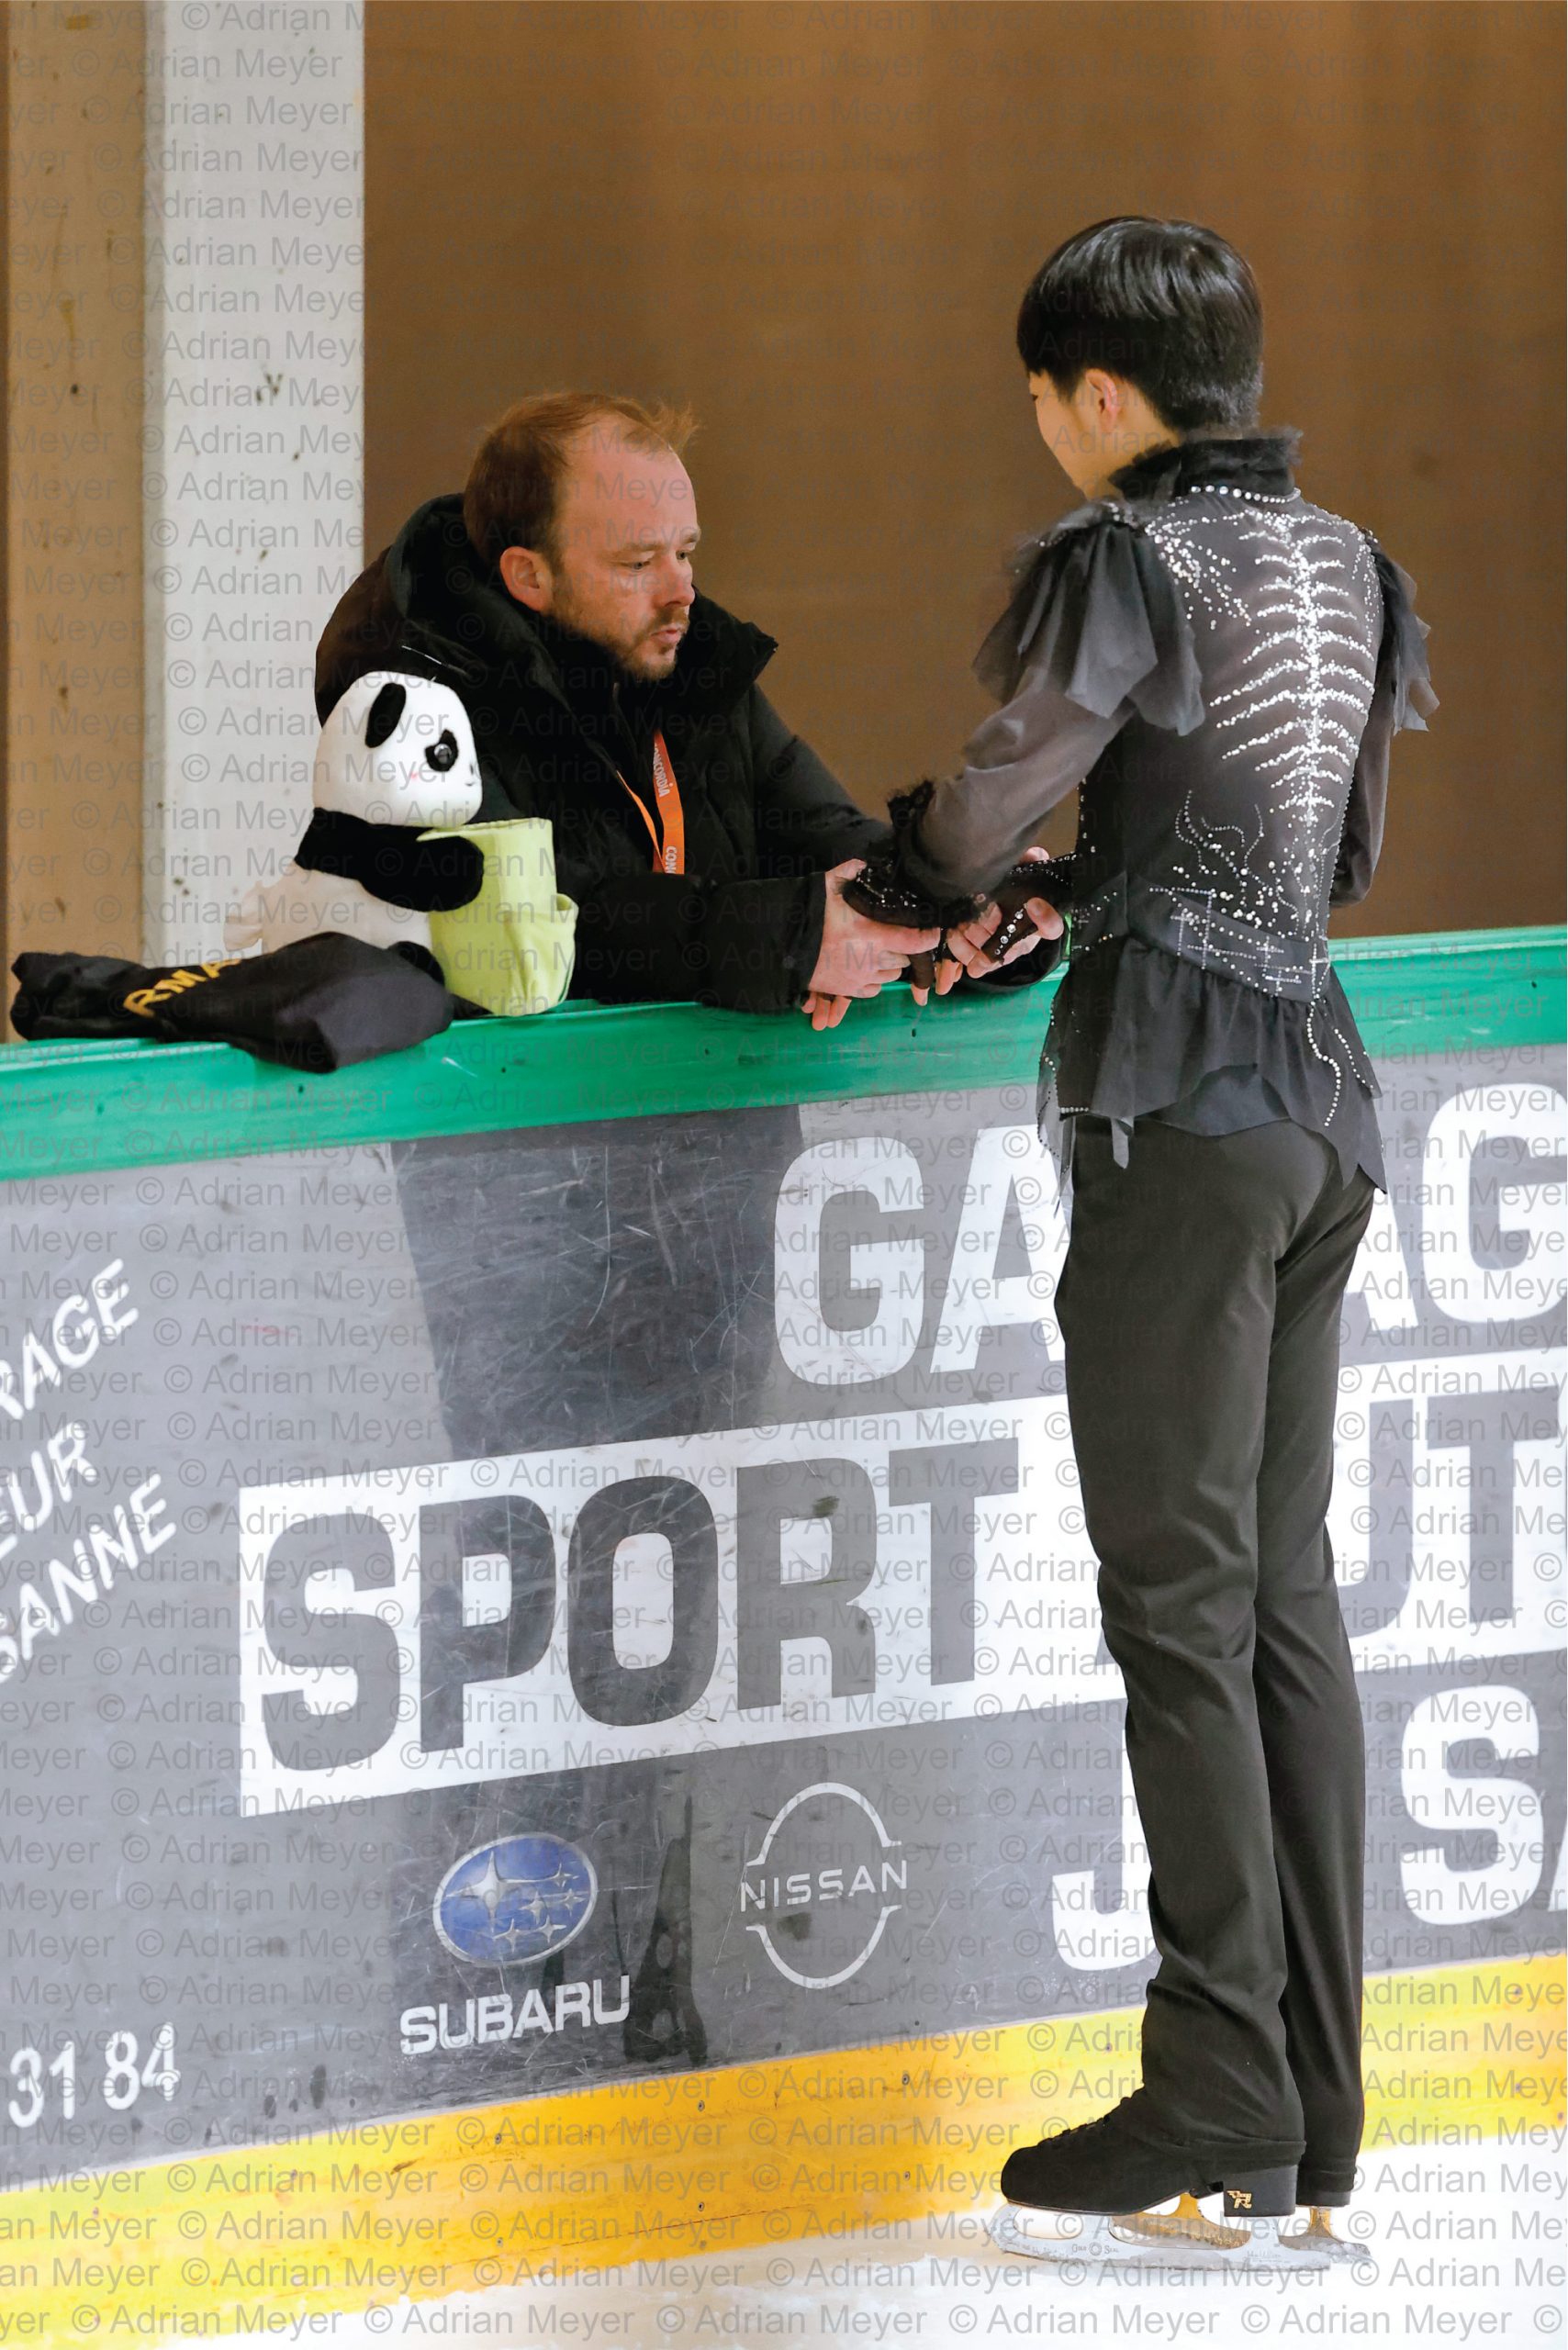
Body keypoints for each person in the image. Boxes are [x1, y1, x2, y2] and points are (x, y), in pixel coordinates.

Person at [853, 217, 1436, 2228]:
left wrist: (925, 870)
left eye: (1039, 399)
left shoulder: (1121, 554)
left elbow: (995, 792)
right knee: (1277, 1600)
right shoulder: (1351, 564)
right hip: (1321, 1110)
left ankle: (1207, 2073)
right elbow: (1329, 846)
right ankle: (1306, 2106)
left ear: (1095, 393)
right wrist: (1105, 876)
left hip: (1175, 1122)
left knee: (1175, 1605)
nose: (1041, 435)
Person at [314, 392, 1060, 1024]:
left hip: (720, 1150)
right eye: (639, 564)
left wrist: (957, 903)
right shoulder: (414, 708)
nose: (683, 592)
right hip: (512, 1159)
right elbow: (531, 926)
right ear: (529, 578)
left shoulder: (691, 659)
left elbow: (826, 842)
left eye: (687, 551)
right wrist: (791, 941)